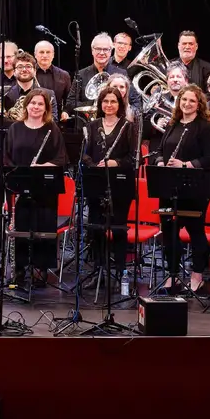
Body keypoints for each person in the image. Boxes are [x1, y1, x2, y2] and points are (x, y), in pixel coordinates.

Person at [154, 84, 210, 294]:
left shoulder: (205, 127)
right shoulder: (173, 125)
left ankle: (197, 275)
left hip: (195, 188)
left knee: (195, 231)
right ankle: (172, 276)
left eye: (192, 100)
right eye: (184, 100)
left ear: (199, 104)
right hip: (170, 187)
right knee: (169, 233)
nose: (187, 104)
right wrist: (161, 162)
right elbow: (159, 151)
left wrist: (185, 164)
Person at [6, 89, 65, 282]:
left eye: (40, 104)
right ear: (26, 105)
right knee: (22, 226)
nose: (36, 107)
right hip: (21, 184)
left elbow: (61, 157)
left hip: (45, 186)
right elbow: (7, 156)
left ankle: (41, 268)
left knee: (44, 226)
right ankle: (20, 268)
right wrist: (18, 174)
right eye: (33, 103)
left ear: (46, 108)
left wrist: (41, 167)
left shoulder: (52, 129)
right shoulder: (15, 128)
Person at [83, 87, 136, 289]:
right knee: (96, 228)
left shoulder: (128, 127)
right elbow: (85, 153)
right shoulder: (92, 125)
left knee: (118, 228)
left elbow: (132, 157)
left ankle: (121, 271)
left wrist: (116, 163)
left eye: (113, 101)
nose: (109, 105)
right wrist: (92, 164)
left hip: (120, 182)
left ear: (119, 104)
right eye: (105, 101)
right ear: (100, 104)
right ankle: (99, 271)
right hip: (96, 180)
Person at [73, 33, 125, 105]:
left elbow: (135, 101)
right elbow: (71, 102)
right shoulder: (80, 74)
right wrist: (93, 106)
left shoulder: (122, 73)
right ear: (92, 51)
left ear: (110, 51)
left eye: (106, 49)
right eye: (98, 49)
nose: (101, 53)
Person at [33, 40, 70, 114]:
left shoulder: (64, 75)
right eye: (41, 52)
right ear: (35, 55)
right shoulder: (29, 73)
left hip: (56, 118)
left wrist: (66, 111)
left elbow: (69, 98)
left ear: (53, 55)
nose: (45, 55)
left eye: (48, 52)